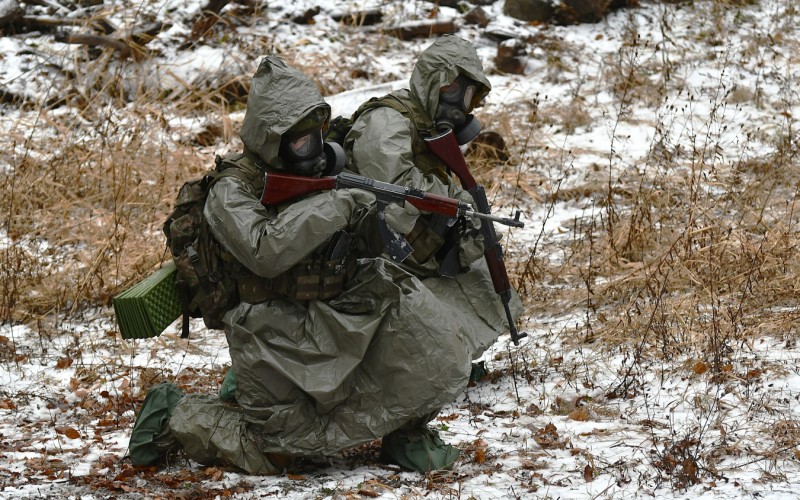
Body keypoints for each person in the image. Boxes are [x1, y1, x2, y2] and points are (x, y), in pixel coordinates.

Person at [128, 55, 504, 475]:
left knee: (430, 347)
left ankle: (406, 434)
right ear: (273, 138)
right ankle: (172, 413)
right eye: (300, 141)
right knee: (277, 452)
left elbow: (366, 241)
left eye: (318, 136)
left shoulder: (323, 172)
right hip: (272, 330)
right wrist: (338, 203)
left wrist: (391, 221)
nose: (313, 151)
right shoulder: (231, 191)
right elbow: (265, 252)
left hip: (334, 310)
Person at [344, 35, 523, 356]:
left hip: (412, 240)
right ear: (443, 85)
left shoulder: (424, 121)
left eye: (470, 98)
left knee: (479, 280)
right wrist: (455, 203)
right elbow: (396, 191)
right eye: (463, 94)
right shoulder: (387, 121)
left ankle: (461, 351)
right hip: (377, 248)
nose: (464, 108)